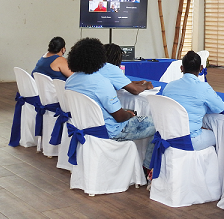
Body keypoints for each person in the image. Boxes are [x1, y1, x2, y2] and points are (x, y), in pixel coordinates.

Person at [65, 37, 156, 169]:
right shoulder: (101, 83)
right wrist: (130, 115)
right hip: (110, 130)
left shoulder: (71, 80)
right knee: (159, 123)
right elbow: (119, 117)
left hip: (85, 127)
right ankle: (148, 168)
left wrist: (124, 111)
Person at [162, 51, 224, 150]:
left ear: (181, 68)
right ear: (201, 68)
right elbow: (220, 108)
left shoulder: (169, 86)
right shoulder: (203, 88)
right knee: (219, 136)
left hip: (168, 137)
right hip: (191, 140)